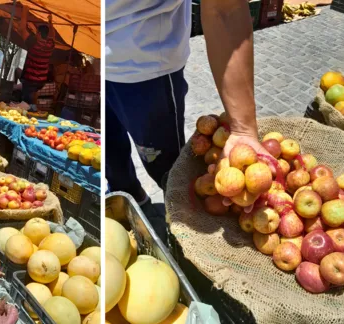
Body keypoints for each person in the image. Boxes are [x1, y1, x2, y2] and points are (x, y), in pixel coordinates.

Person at [106, 0, 271, 206]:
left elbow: (225, 8)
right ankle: (128, 194)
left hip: (145, 68)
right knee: (109, 147)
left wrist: (243, 128)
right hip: (96, 59)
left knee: (166, 169)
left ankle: (177, 209)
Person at [18, 5, 56, 105]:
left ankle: (28, 115)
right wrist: (50, 22)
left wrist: (25, 8)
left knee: (26, 104)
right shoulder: (50, 45)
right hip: (41, 82)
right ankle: (33, 111)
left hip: (30, 80)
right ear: (47, 35)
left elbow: (21, 29)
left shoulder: (33, 43)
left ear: (38, 33)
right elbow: (53, 35)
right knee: (32, 102)